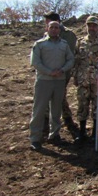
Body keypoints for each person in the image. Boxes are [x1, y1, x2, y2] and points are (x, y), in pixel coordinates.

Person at [29, 21, 75, 150]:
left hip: (59, 81)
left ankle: (54, 135)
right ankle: (35, 138)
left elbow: (70, 59)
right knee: (39, 110)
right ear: (47, 28)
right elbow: (35, 62)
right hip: (44, 81)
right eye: (52, 27)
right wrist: (50, 72)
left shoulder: (64, 45)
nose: (54, 30)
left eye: (56, 28)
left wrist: (62, 70)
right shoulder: (40, 44)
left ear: (59, 30)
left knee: (56, 110)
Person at [73, 16, 98, 144]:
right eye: (89, 25)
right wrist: (75, 76)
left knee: (97, 107)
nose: (91, 28)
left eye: (94, 26)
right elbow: (75, 60)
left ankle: (95, 133)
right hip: (83, 80)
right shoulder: (80, 42)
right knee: (82, 105)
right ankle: (82, 132)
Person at [43, 12, 77, 130]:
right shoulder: (46, 35)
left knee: (59, 95)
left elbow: (70, 55)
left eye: (49, 23)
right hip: (49, 73)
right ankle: (48, 122)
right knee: (50, 96)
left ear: (57, 21)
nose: (48, 26)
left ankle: (66, 120)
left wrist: (61, 70)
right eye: (47, 24)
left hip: (63, 72)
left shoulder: (69, 35)